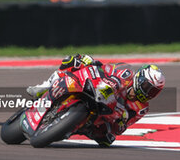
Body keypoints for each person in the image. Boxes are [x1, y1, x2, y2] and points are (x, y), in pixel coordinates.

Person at [27, 54, 165, 147]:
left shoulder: (141, 108)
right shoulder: (127, 73)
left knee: (108, 140)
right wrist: (94, 65)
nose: (148, 93)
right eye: (148, 87)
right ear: (139, 78)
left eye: (153, 91)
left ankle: (73, 127)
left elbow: (122, 127)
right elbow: (107, 69)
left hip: (105, 116)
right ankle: (46, 85)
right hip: (96, 87)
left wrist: (121, 122)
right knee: (75, 59)